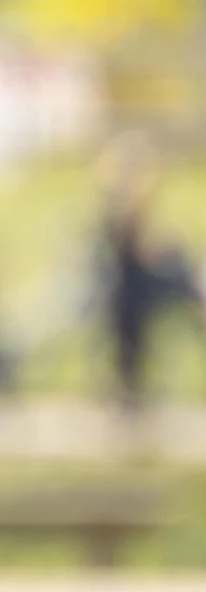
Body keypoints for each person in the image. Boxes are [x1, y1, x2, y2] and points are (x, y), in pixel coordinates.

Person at [99, 141, 195, 411]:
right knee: (133, 303)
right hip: (131, 288)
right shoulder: (121, 205)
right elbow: (135, 251)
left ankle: (129, 386)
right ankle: (128, 386)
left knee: (178, 272)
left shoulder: (127, 204)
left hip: (135, 286)